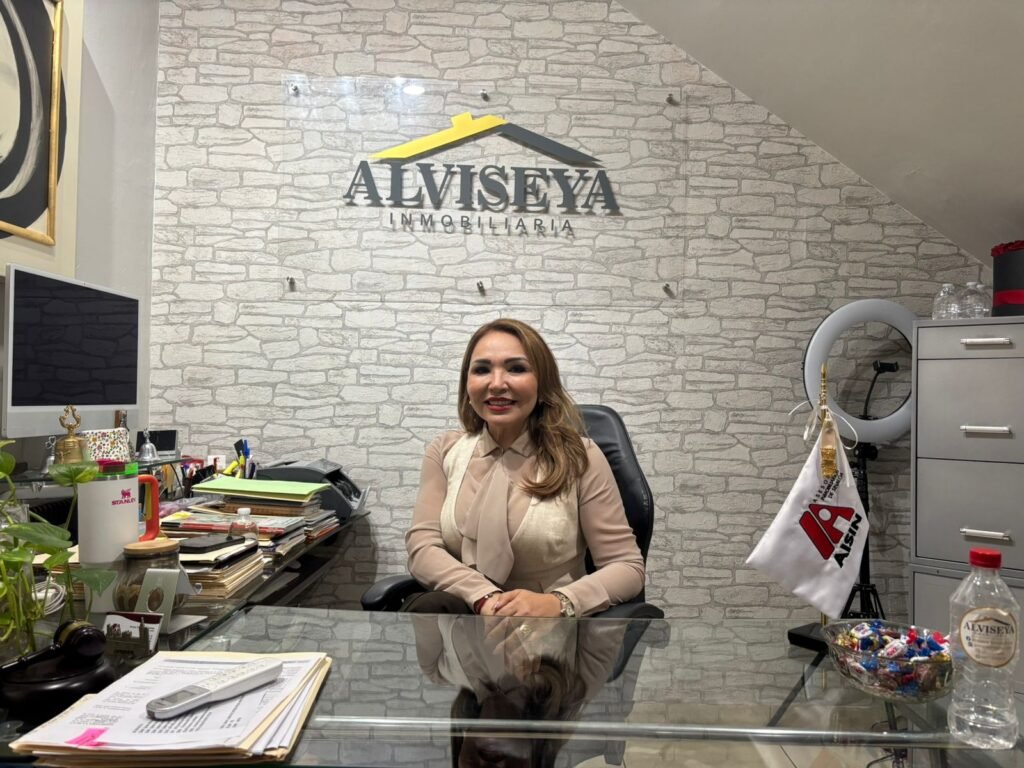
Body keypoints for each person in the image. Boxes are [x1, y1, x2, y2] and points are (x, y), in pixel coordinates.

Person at [404, 318, 645, 617]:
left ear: (543, 383)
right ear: (467, 384)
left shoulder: (581, 457)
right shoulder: (444, 451)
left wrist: (558, 602)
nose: (496, 384)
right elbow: (423, 548)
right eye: (482, 370)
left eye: (516, 368)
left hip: (548, 630)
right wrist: (484, 597)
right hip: (463, 622)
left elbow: (626, 567)